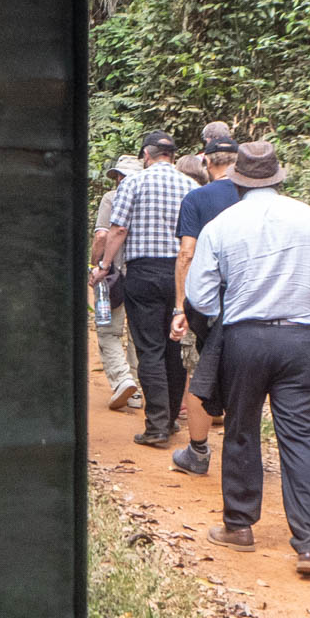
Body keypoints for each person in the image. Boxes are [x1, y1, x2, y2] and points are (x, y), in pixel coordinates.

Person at [185, 141, 310, 578]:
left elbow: (200, 295)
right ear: (278, 179)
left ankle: (239, 526)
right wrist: (302, 303)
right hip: (301, 340)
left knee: (241, 429)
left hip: (244, 338)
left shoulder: (221, 225)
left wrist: (230, 310)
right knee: (302, 438)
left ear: (237, 181)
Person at [90, 130, 199, 446]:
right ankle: (172, 421)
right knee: (173, 346)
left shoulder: (133, 184)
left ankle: (157, 426)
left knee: (150, 348)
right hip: (181, 272)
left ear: (146, 156)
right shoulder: (191, 186)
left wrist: (104, 266)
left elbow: (118, 229)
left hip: (144, 272)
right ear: (173, 156)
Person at [168, 135, 241, 475]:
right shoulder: (251, 197)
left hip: (208, 301)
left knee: (199, 372)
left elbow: (187, 253)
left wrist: (180, 306)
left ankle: (198, 452)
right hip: (248, 299)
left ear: (207, 163)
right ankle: (240, 450)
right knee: (244, 376)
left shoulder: (197, 198)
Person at [91, 154, 143, 410]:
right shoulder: (149, 200)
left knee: (108, 330)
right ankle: (136, 390)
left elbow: (102, 236)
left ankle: (123, 379)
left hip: (112, 276)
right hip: (143, 273)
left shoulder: (111, 198)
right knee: (137, 333)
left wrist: (96, 265)